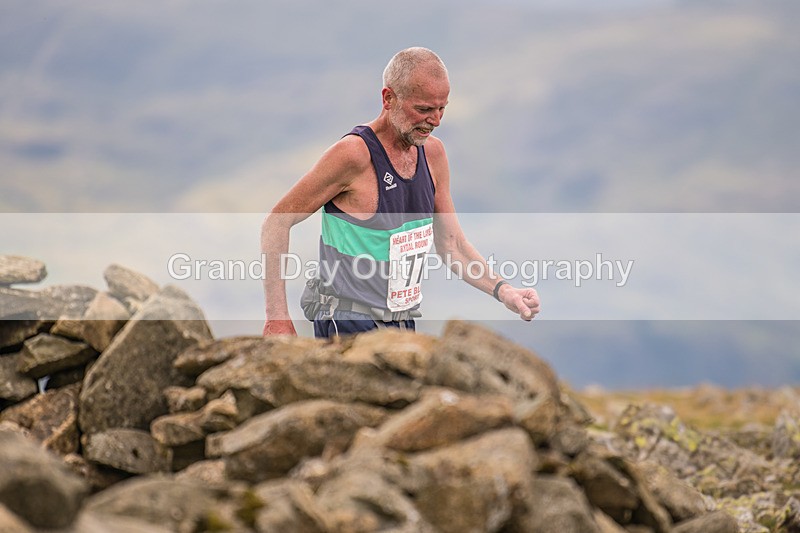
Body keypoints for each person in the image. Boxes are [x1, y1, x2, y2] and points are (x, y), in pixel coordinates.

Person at [261, 47, 540, 338]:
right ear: (388, 98)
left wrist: (504, 291)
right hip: (345, 323)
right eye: (423, 109)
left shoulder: (433, 155)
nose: (435, 120)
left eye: (441, 108)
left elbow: (452, 244)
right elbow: (277, 221)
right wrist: (277, 317)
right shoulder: (353, 155)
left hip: (402, 323)